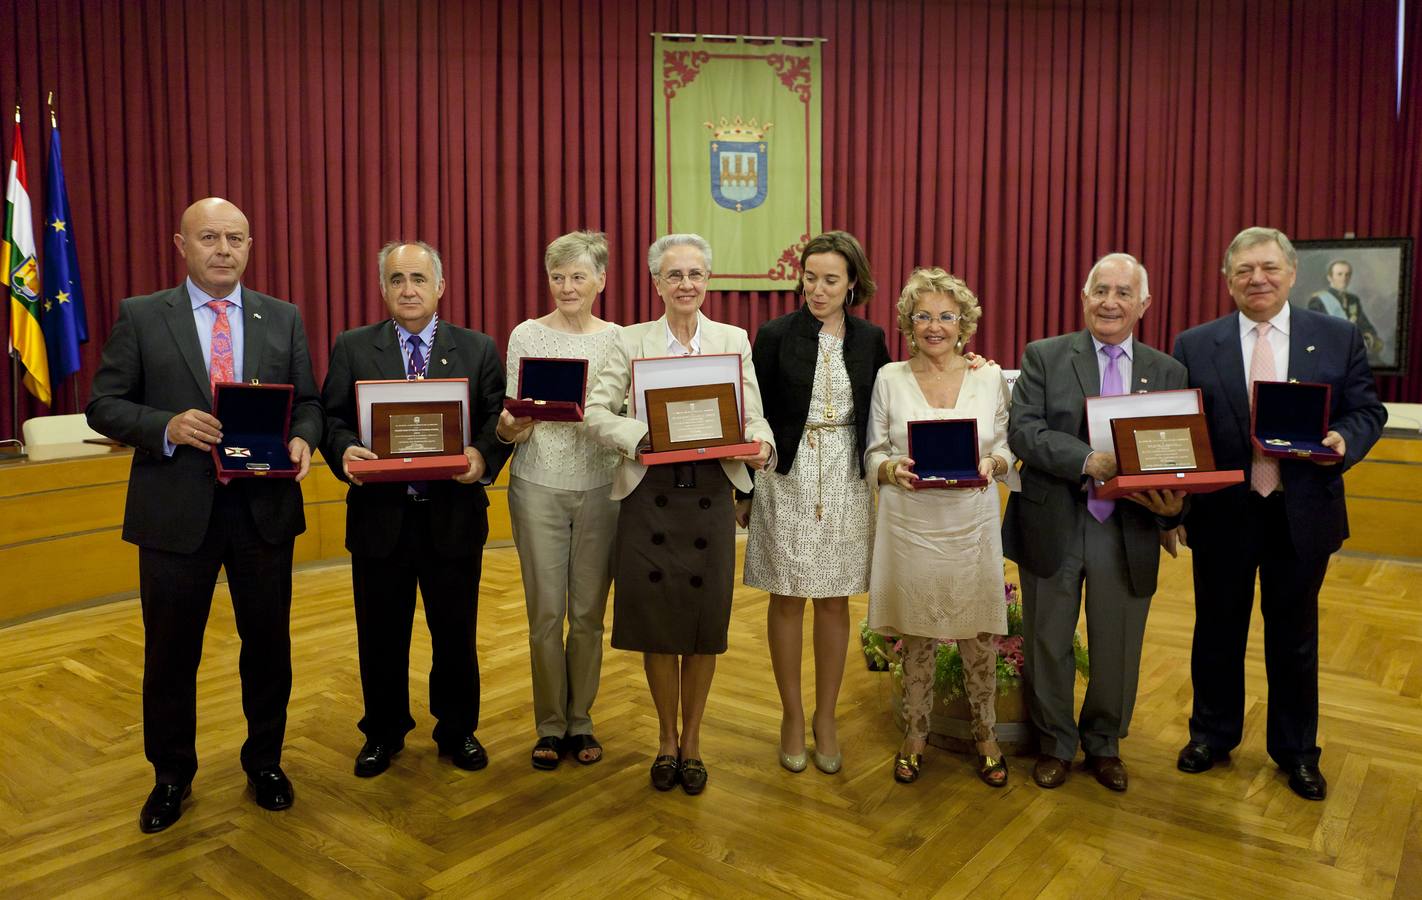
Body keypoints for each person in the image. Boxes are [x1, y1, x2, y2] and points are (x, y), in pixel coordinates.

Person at [86, 197, 322, 833]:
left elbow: (309, 403)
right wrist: (165, 424)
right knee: (170, 654)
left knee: (268, 647)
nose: (224, 249)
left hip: (263, 511)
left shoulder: (283, 316)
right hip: (174, 511)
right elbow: (103, 404)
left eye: (236, 238)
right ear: (181, 245)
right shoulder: (142, 316)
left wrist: (305, 437)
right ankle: (171, 776)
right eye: (210, 237)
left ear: (250, 246)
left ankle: (265, 762)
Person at [1173, 227, 1385, 800]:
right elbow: (1180, 429)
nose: (1257, 279)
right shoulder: (1195, 344)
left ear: (1292, 274)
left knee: (1294, 639)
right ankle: (1212, 736)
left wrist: (1344, 436)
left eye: (1268, 268)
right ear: (1227, 280)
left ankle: (1296, 752)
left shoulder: (1336, 337)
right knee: (1217, 631)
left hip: (1303, 514)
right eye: (1243, 271)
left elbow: (1368, 409)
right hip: (1224, 514)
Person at [583, 233, 774, 795]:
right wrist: (643, 438)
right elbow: (596, 412)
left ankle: (694, 741)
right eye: (674, 275)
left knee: (702, 630)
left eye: (694, 274)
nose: (685, 285)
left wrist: (762, 446)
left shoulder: (732, 338)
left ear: (707, 281)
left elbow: (753, 414)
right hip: (649, 495)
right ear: (656, 284)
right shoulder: (629, 341)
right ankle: (665, 739)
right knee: (660, 630)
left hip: (711, 494)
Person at [320, 241, 512, 779]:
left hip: (452, 516)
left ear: (440, 288)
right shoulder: (353, 347)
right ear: (383, 289)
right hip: (381, 521)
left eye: (419, 279)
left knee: (456, 634)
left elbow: (497, 418)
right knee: (380, 635)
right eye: (397, 279)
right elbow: (332, 418)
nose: (408, 289)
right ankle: (382, 732)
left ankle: (457, 730)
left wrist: (481, 456)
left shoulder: (476, 348)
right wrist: (342, 451)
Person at [1002, 252, 1187, 793]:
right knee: (1048, 638)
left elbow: (1179, 452)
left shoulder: (1168, 371)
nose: (1110, 301)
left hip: (1126, 528)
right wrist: (1088, 459)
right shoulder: (1045, 356)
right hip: (1055, 516)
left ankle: (1104, 743)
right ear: (1084, 299)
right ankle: (1055, 742)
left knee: (1118, 643)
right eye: (1100, 290)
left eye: (1123, 293)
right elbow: (1025, 432)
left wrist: (1176, 505)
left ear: (1144, 304)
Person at [738, 231, 890, 775]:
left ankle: (827, 717)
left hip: (847, 480)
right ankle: (793, 716)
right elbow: (749, 412)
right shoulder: (775, 334)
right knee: (786, 597)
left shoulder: (871, 338)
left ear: (853, 283)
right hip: (787, 478)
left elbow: (891, 402)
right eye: (810, 278)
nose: (818, 289)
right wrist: (743, 490)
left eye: (831, 279)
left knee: (834, 599)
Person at [865, 268, 1015, 787]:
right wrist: (888, 469)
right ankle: (915, 733)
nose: (935, 326)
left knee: (979, 637)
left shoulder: (989, 377)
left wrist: (995, 466)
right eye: (924, 315)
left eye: (946, 316)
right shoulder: (889, 377)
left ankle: (986, 734)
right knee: (919, 637)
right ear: (909, 321)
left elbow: (1005, 446)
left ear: (963, 323)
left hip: (971, 522)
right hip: (911, 522)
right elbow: (875, 450)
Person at [498, 230, 623, 771]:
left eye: (577, 276)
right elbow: (511, 420)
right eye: (557, 277)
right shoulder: (525, 334)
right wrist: (509, 426)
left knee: (589, 615)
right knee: (546, 614)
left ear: (600, 279)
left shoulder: (620, 338)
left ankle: (581, 719)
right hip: (537, 485)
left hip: (603, 488)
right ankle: (549, 724)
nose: (567, 287)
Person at [1306, 259, 1383, 365]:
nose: (1344, 278)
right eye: (1339, 274)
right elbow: (1314, 331)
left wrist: (1368, 337)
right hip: (1330, 354)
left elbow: (1365, 325)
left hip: (1353, 352)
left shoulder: (1353, 299)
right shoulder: (1318, 300)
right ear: (1330, 277)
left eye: (1347, 275)